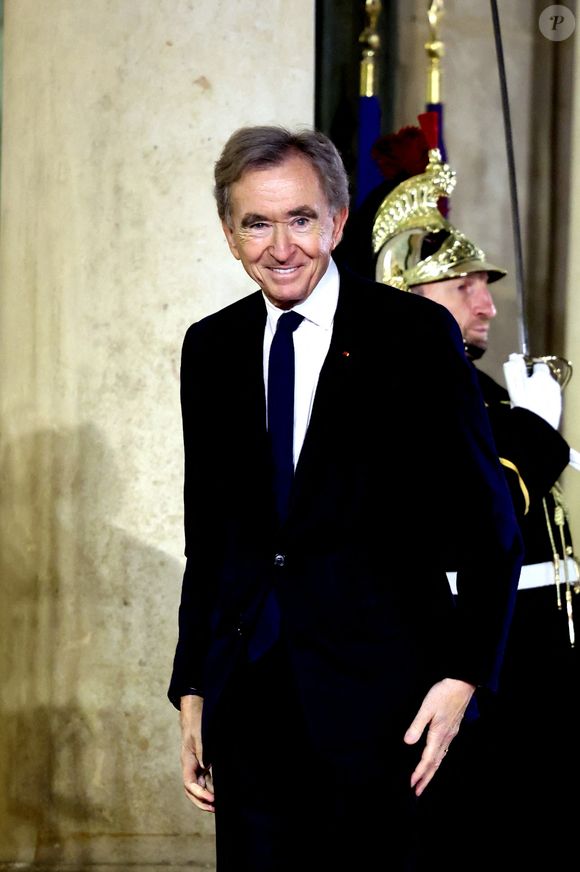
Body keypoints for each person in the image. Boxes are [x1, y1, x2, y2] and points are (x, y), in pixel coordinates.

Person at [168, 124, 522, 872]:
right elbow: (213, 534)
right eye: (256, 223)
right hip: (251, 701)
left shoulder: (415, 336)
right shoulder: (211, 347)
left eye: (300, 219)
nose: (280, 245)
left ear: (337, 220)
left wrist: (464, 678)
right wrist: (193, 684)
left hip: (387, 706)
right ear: (230, 235)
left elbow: (494, 528)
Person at [338, 118, 579, 869]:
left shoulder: (473, 390)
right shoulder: (385, 388)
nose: (487, 304)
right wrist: (536, 439)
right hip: (454, 663)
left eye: (485, 285)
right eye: (463, 284)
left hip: (531, 666)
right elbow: (469, 524)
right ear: (402, 294)